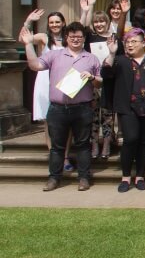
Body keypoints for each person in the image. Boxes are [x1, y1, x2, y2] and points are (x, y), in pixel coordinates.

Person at [20, 22, 102, 192]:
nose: (76, 40)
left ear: (84, 38)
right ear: (66, 38)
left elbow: (99, 84)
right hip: (57, 108)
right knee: (57, 146)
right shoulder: (55, 55)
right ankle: (54, 178)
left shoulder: (91, 58)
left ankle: (84, 178)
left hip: (82, 108)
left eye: (79, 37)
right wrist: (28, 44)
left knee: (83, 145)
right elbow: (34, 65)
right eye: (72, 37)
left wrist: (92, 76)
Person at [102, 28, 145, 193]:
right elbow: (105, 73)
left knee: (144, 142)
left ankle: (140, 176)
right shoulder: (120, 61)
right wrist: (112, 53)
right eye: (127, 42)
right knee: (130, 139)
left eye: (133, 41)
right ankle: (126, 177)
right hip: (127, 108)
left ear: (143, 43)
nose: (130, 45)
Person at [23, 10, 65, 158]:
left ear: (63, 23)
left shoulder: (68, 38)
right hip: (45, 78)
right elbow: (24, 39)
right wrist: (28, 21)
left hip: (64, 79)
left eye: (57, 22)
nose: (54, 25)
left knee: (65, 117)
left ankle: (64, 155)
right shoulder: (44, 37)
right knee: (49, 119)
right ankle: (52, 152)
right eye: (52, 22)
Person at [84, 10, 117, 159]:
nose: (99, 24)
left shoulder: (113, 38)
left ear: (107, 22)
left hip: (109, 82)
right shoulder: (90, 37)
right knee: (94, 115)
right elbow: (83, 26)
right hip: (92, 81)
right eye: (96, 22)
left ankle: (107, 143)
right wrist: (87, 9)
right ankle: (95, 143)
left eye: (102, 21)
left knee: (108, 115)